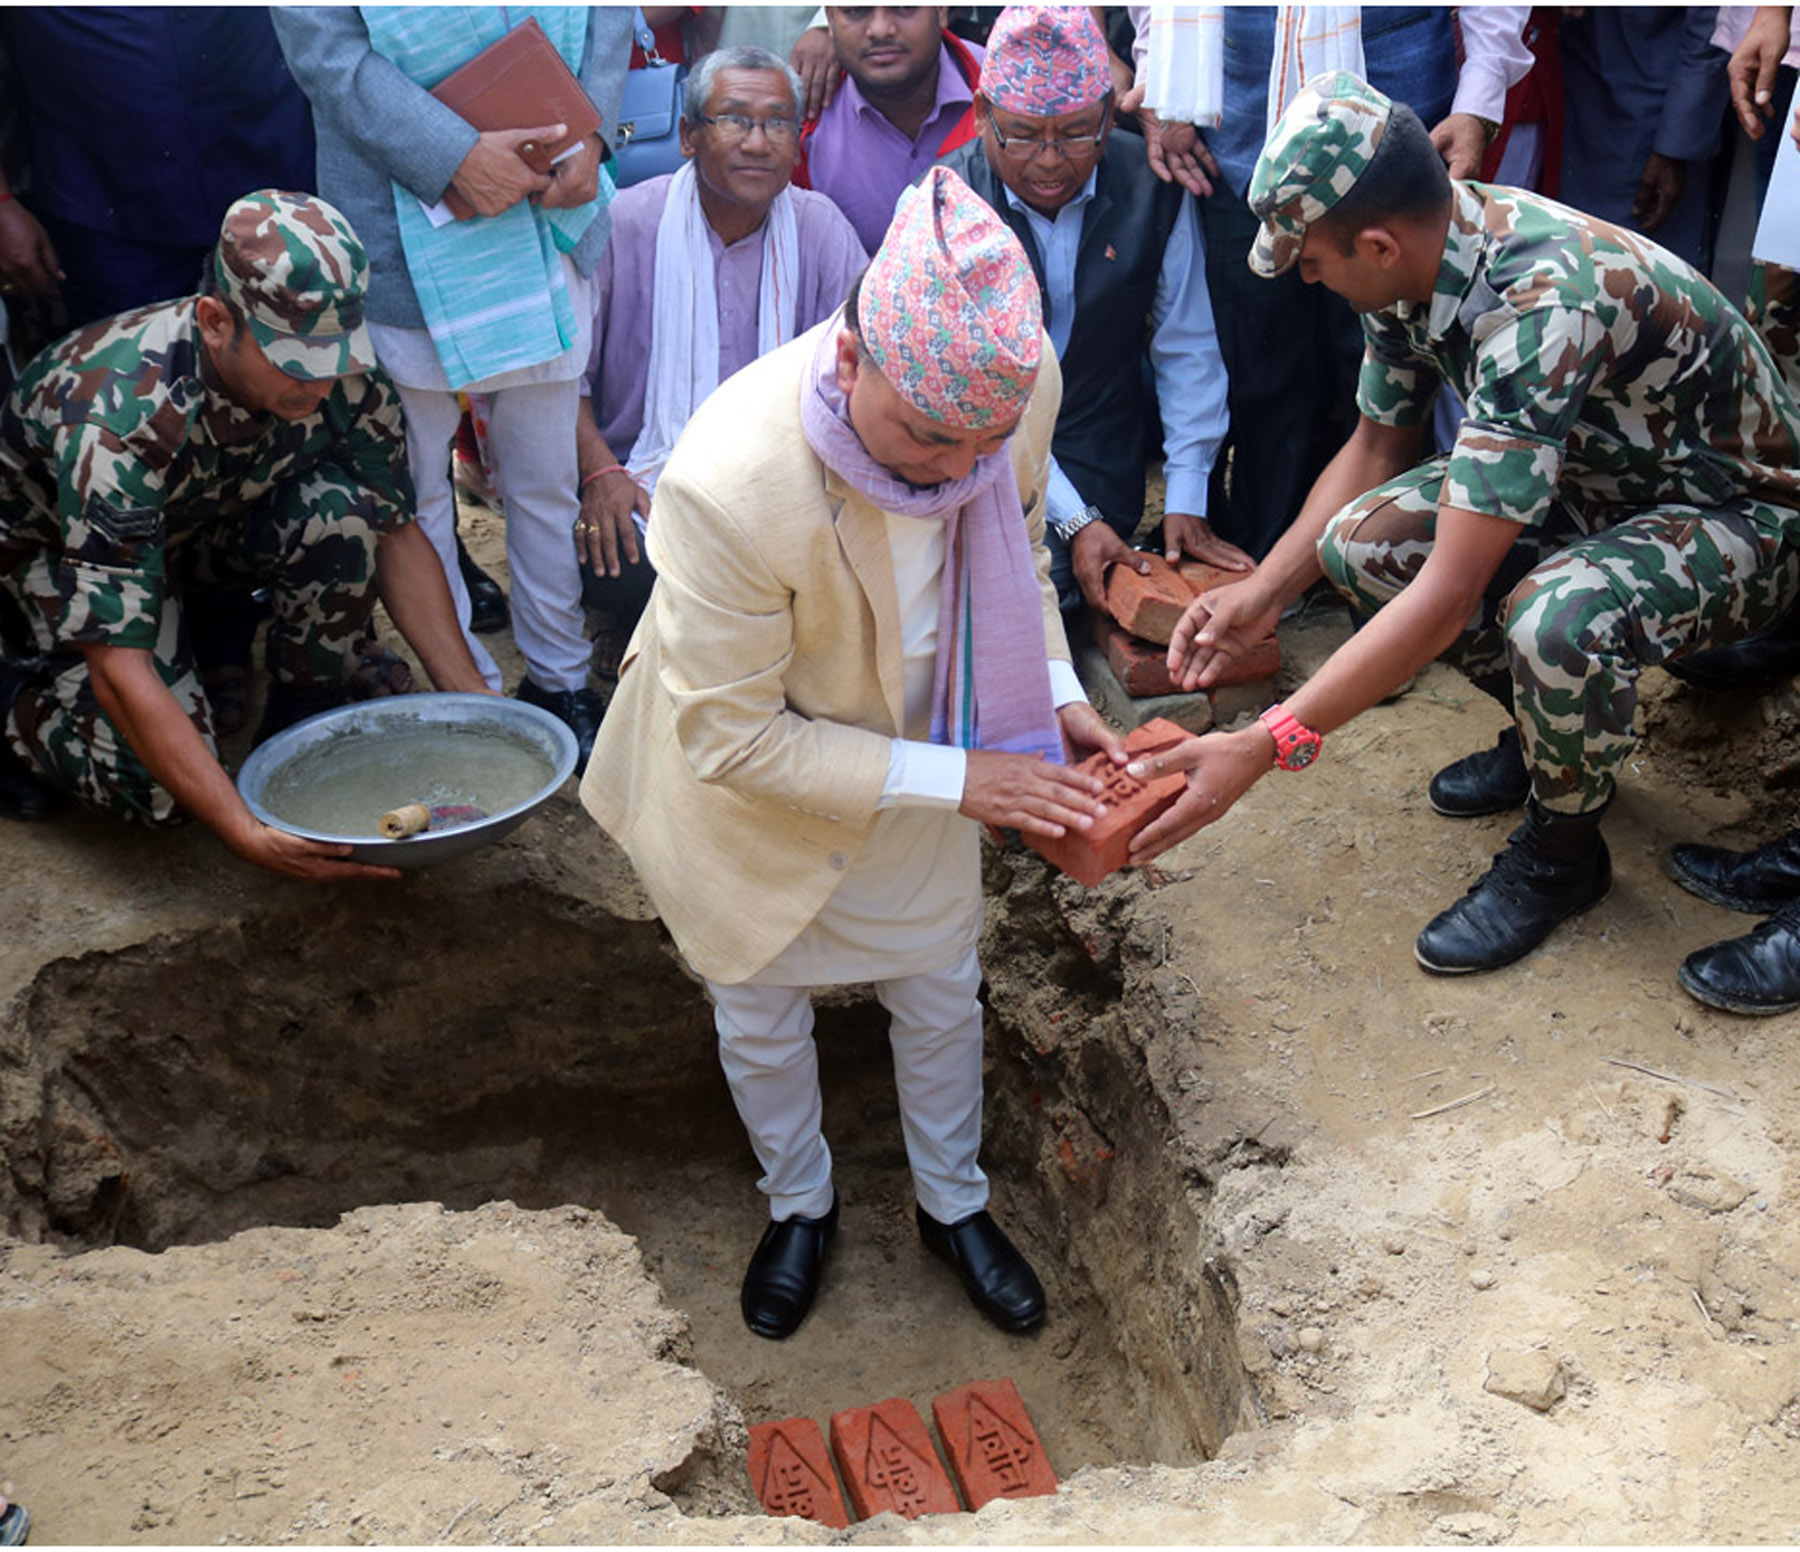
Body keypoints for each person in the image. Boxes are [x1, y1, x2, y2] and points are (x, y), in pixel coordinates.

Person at [581, 166, 1124, 1339]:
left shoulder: (1004, 402)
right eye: (928, 436)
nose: (956, 468)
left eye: (982, 441)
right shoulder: (730, 484)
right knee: (760, 1010)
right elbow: (732, 736)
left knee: (938, 992)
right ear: (848, 362)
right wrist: (967, 779)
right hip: (749, 783)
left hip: (926, 739)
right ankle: (798, 1203)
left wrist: (1059, 691)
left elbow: (1020, 550)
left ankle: (953, 1204)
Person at [1125, 73, 1800, 983]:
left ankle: (1563, 857)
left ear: (1375, 240)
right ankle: (1542, 740)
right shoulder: (1420, 259)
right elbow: (1375, 447)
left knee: (1554, 619)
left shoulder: (1540, 303)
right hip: (1608, 484)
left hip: (1740, 518)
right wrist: (1263, 595)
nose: (1308, 277)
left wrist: (1266, 743)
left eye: (1312, 259)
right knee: (1362, 542)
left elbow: (1447, 599)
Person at [0, 191, 493, 879]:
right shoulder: (118, 419)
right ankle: (15, 704)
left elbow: (395, 532)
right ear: (213, 321)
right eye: (294, 362)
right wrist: (243, 831)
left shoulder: (342, 375)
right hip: (61, 556)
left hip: (191, 527)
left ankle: (301, 716)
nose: (320, 385)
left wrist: (475, 701)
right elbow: (119, 664)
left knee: (342, 511)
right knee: (156, 789)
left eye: (336, 357)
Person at [271, 6, 632, 767]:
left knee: (544, 477)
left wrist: (591, 134)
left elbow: (608, 14)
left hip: (549, 202)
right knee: (417, 488)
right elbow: (327, 51)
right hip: (401, 209)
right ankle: (466, 688)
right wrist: (452, 155)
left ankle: (561, 679)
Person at [1122, 7, 1532, 560]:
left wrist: (1478, 103)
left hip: (1393, 82)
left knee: (1380, 361)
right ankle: (1267, 547)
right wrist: (1163, 79)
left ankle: (1381, 557)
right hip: (1233, 97)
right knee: (1259, 356)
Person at [939, 5, 1249, 616]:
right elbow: (971, 402)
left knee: (1065, 588)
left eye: (1078, 133)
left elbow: (1187, 345)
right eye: (1023, 134)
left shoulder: (1150, 184)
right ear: (981, 118)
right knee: (999, 589)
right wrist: (1074, 519)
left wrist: (1186, 496)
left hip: (1094, 444)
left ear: (1112, 117)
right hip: (969, 448)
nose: (1051, 161)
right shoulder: (944, 204)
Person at [575, 45, 867, 660]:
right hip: (644, 480)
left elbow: (862, 375)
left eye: (777, 123)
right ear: (687, 136)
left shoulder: (820, 229)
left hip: (786, 481)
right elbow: (564, 381)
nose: (758, 143)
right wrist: (602, 474)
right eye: (734, 119)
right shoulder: (625, 224)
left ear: (796, 139)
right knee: (621, 562)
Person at [799, 6, 984, 255]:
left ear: (941, 10)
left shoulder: (1004, 86)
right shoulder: (798, 125)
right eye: (856, 10)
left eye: (904, 7)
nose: (880, 30)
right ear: (830, 19)